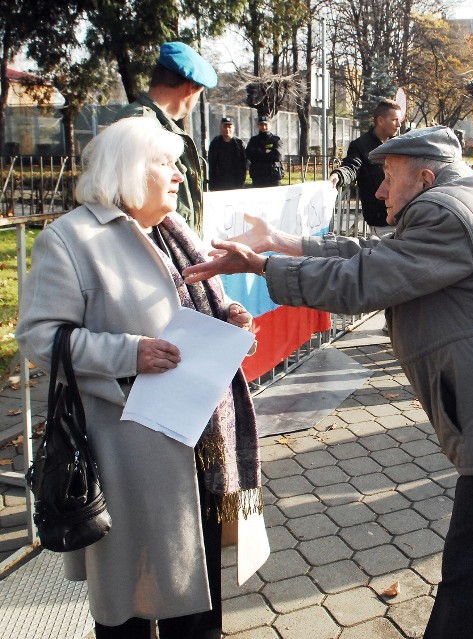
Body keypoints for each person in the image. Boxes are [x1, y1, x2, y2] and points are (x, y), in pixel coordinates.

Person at [183, 126, 473, 639]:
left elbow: (361, 281)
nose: (380, 192)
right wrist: (285, 242)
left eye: (388, 179)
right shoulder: (466, 196)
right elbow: (374, 255)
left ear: (426, 178)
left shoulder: (448, 214)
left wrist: (262, 265)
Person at [16, 117, 265, 639]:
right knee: (131, 597)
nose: (178, 176)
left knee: (197, 590)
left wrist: (233, 317)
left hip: (198, 437)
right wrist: (127, 354)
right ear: (129, 170)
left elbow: (196, 306)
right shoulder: (71, 239)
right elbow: (40, 337)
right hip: (125, 450)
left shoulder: (174, 231)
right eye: (165, 165)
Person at [117, 41, 216, 234]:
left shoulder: (157, 124)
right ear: (191, 87)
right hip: (152, 250)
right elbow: (134, 204)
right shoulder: (142, 124)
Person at [329, 99, 402, 232]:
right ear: (380, 121)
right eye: (395, 120)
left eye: (400, 120)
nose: (399, 125)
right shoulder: (361, 146)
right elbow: (351, 167)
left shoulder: (401, 144)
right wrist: (338, 175)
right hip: (381, 222)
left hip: (404, 220)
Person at [208, 116, 247, 191]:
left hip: (236, 180)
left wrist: (242, 180)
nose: (227, 129)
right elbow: (212, 163)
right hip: (219, 181)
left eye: (229, 127)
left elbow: (244, 163)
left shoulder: (239, 143)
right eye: (225, 126)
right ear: (221, 128)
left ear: (233, 128)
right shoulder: (215, 143)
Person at [246, 115, 284, 187]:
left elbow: (278, 156)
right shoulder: (253, 140)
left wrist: (259, 153)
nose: (263, 127)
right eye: (261, 124)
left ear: (270, 125)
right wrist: (266, 151)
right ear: (258, 126)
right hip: (258, 176)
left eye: (265, 124)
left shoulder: (276, 140)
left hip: (273, 175)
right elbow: (249, 154)